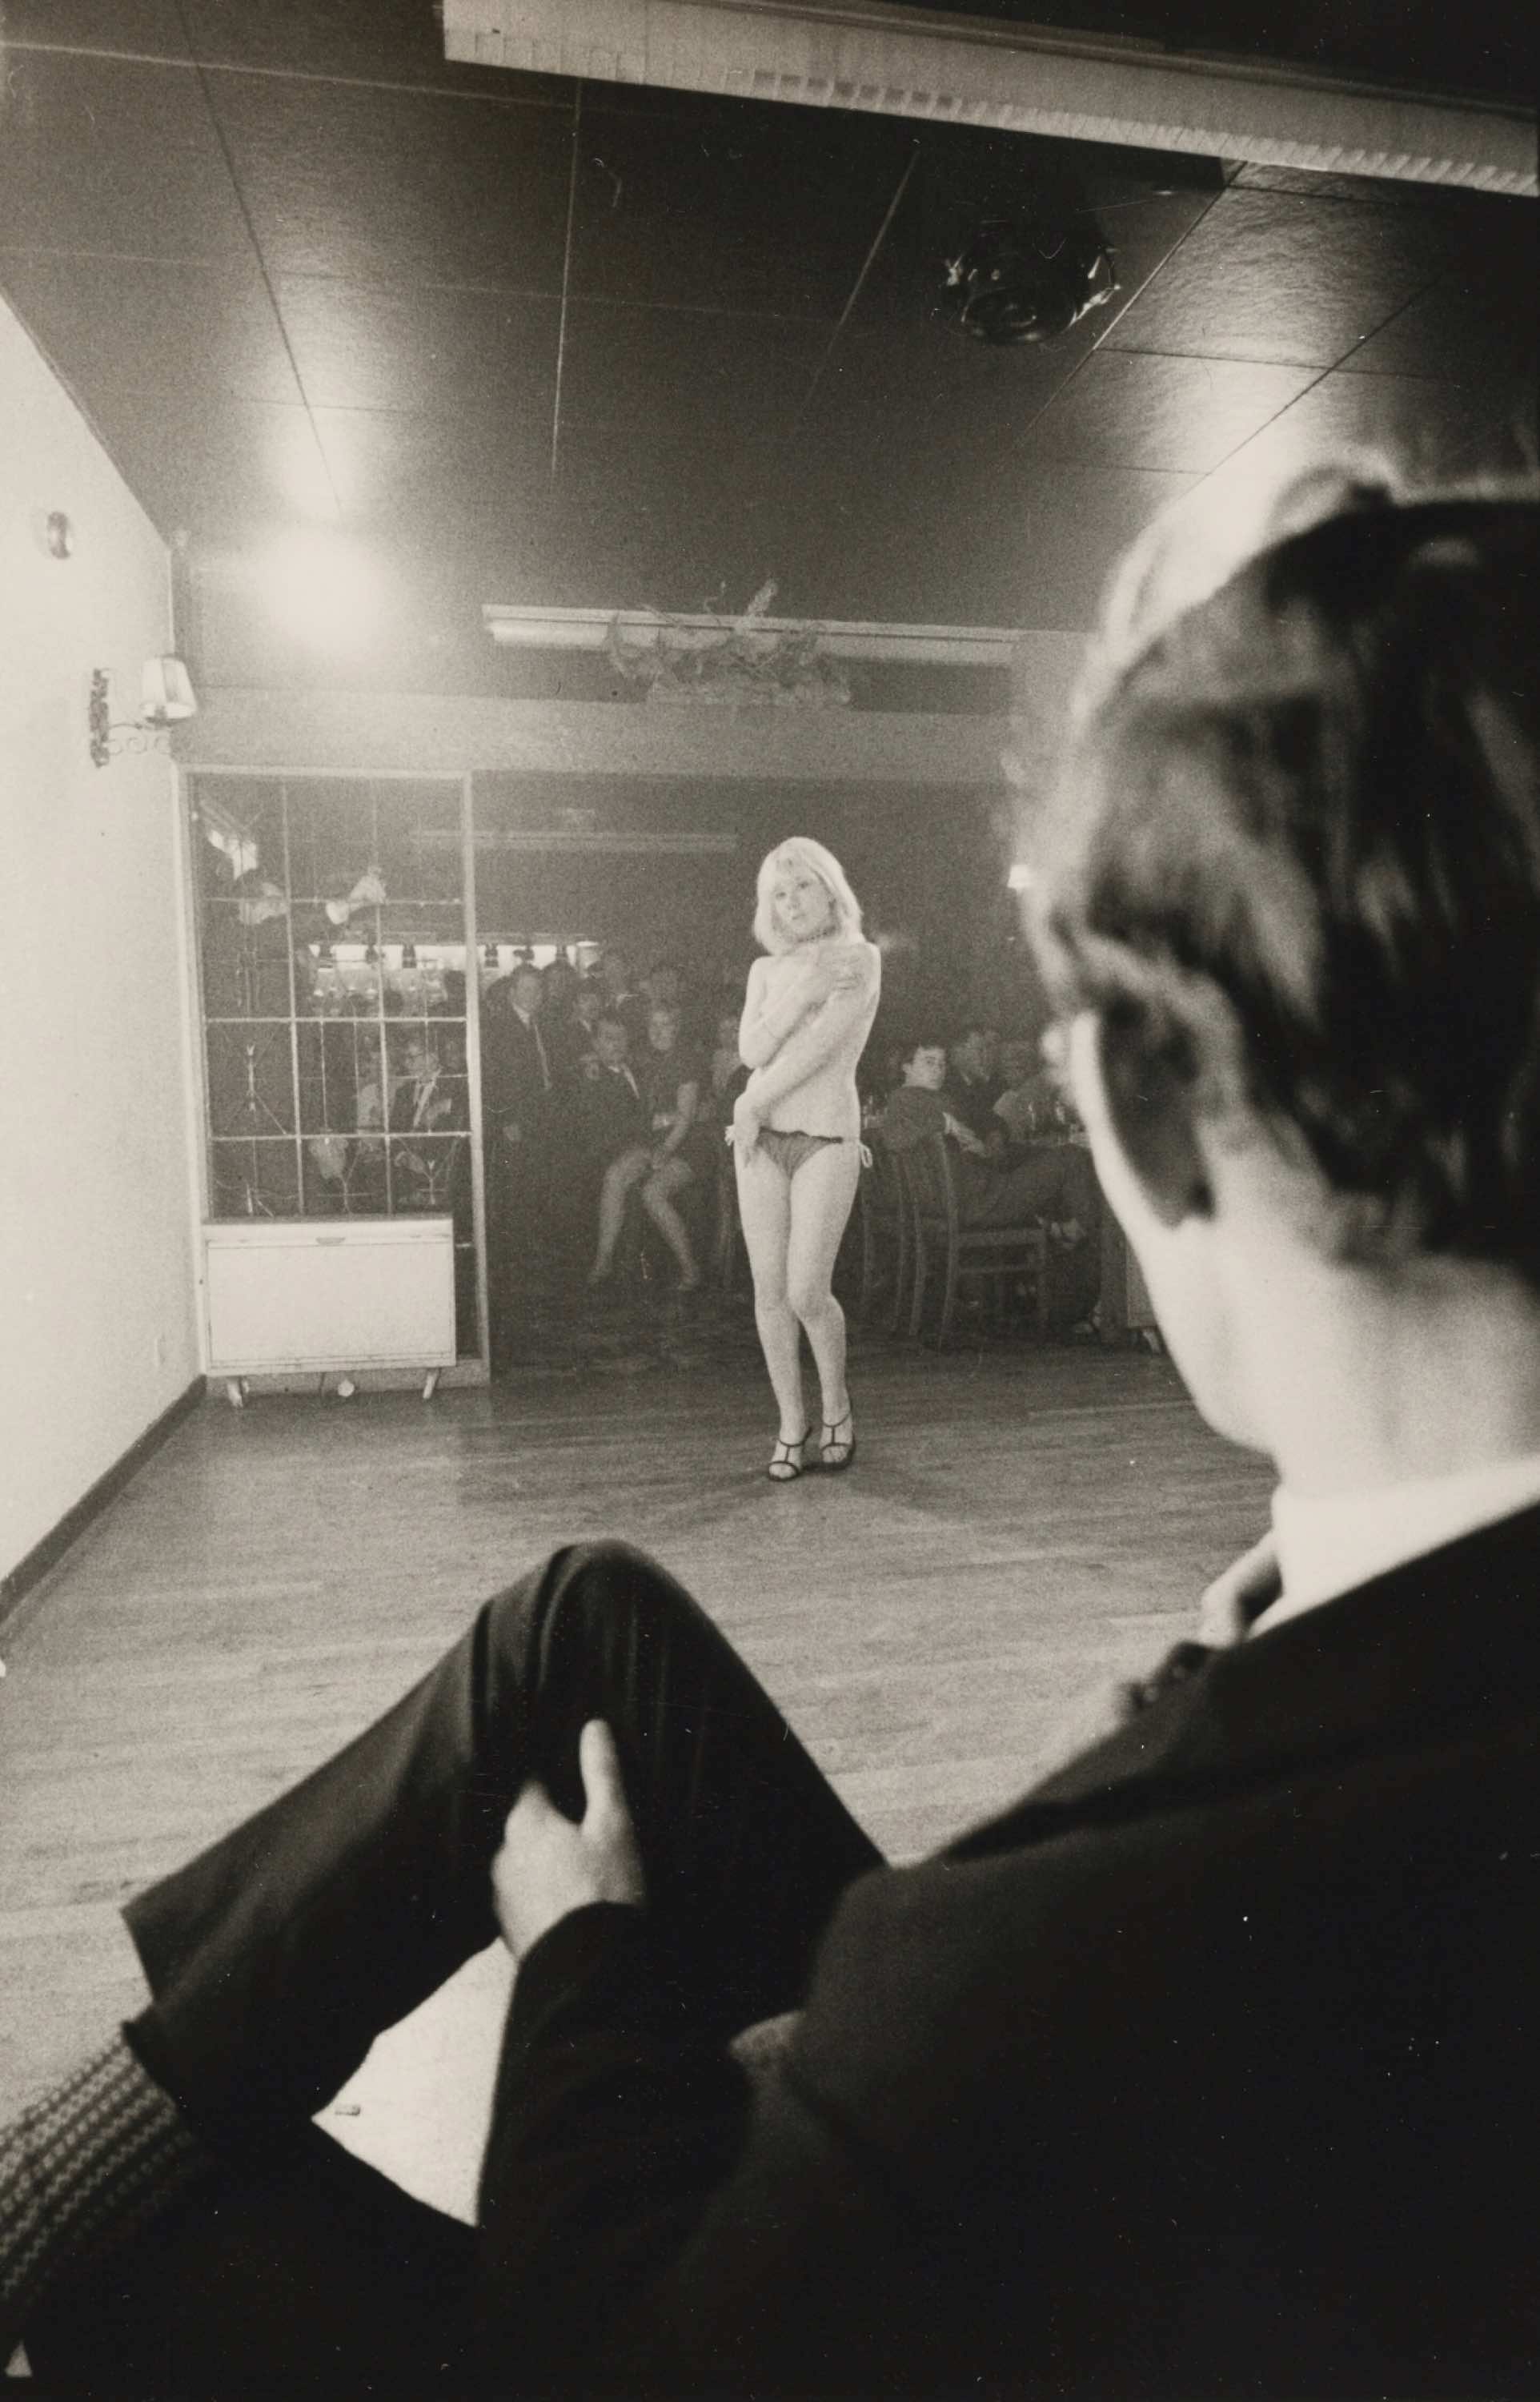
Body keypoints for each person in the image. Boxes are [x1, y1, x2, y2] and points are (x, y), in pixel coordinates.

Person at [9, 472, 1540, 2401]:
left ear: (1149, 1123)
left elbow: (628, 2346)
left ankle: (49, 2201)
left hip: (855, 2254)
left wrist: (581, 1969)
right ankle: (86, 2142)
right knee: (581, 1623)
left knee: (156, 2262)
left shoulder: (993, 1982)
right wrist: (1228, 1652)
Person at [731, 838, 881, 1479]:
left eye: (802, 887)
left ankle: (837, 1407)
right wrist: (803, 990)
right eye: (778, 893)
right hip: (761, 1141)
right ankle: (793, 1423)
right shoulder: (765, 970)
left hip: (825, 1138)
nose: (791, 903)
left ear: (829, 889)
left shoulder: (861, 958)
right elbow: (750, 1051)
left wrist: (749, 1103)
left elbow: (819, 1050)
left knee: (806, 1291)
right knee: (769, 1292)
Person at [585, 1001, 709, 1293]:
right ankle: (603, 1261)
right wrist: (590, 1059)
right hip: (653, 1140)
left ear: (677, 1028)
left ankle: (690, 1269)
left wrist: (665, 1150)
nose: (659, 1031)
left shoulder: (687, 1060)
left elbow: (687, 1117)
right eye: (653, 1025)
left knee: (652, 1193)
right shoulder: (647, 1057)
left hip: (687, 1144)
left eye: (666, 1024)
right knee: (616, 1175)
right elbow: (612, 1057)